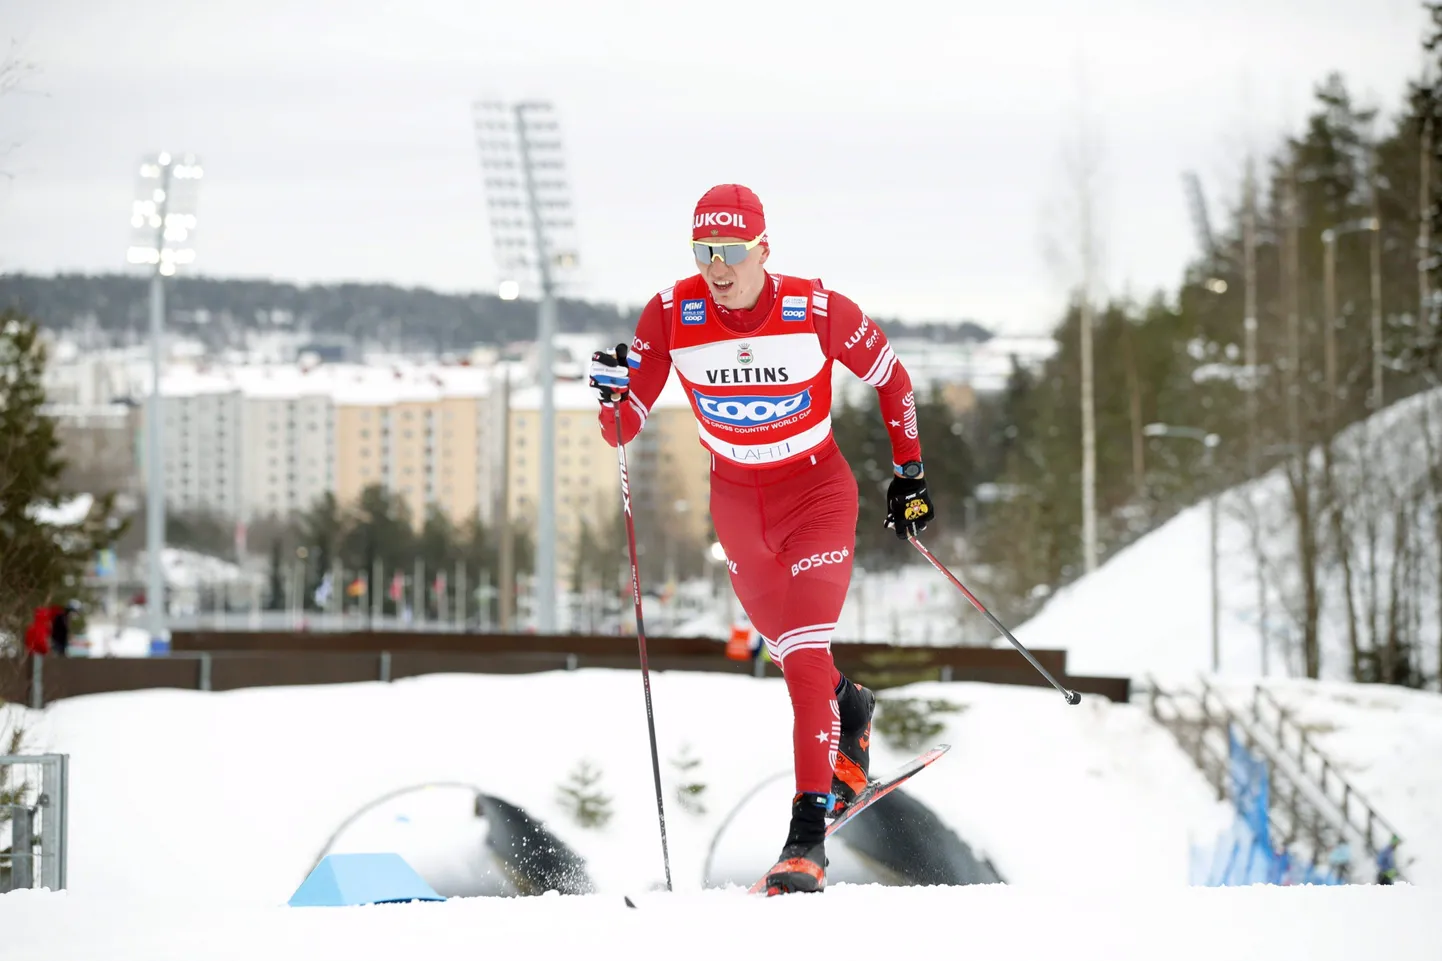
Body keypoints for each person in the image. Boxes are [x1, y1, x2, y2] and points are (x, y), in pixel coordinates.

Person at [590, 184, 934, 894]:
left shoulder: (816, 309)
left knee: (804, 657)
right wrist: (611, 396)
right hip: (736, 506)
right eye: (704, 251)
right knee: (797, 662)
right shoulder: (671, 313)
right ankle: (853, 706)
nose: (718, 268)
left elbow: (892, 377)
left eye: (733, 252)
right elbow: (627, 427)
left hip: (817, 495)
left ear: (763, 249)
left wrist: (909, 475)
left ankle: (806, 840)